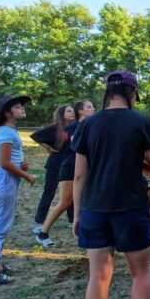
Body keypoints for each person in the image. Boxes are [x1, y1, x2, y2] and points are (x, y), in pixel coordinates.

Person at [72, 71, 150, 299]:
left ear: (107, 93)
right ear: (133, 93)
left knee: (98, 278)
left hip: (94, 209)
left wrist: (77, 213)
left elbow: (79, 175)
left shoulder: (88, 124)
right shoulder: (142, 122)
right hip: (131, 208)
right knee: (140, 274)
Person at [0, 95, 36, 287]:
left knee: (3, 223)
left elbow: (10, 159)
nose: (22, 109)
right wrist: (26, 175)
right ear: (7, 112)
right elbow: (3, 163)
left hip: (9, 181)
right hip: (4, 181)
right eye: (18, 107)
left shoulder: (10, 131)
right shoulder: (6, 132)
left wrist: (21, 165)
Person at [35, 100, 95, 246]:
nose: (93, 109)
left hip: (85, 168)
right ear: (80, 111)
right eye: (89, 107)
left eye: (93, 106)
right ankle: (43, 234)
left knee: (84, 202)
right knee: (65, 202)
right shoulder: (75, 126)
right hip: (70, 167)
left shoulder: (90, 125)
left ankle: (86, 236)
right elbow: (76, 142)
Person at [30, 104, 75, 234]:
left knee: (70, 194)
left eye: (72, 111)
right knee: (49, 192)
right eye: (68, 111)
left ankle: (71, 221)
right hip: (55, 164)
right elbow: (36, 136)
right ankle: (39, 222)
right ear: (62, 113)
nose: (72, 113)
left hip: (68, 165)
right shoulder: (55, 128)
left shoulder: (74, 127)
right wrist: (48, 148)